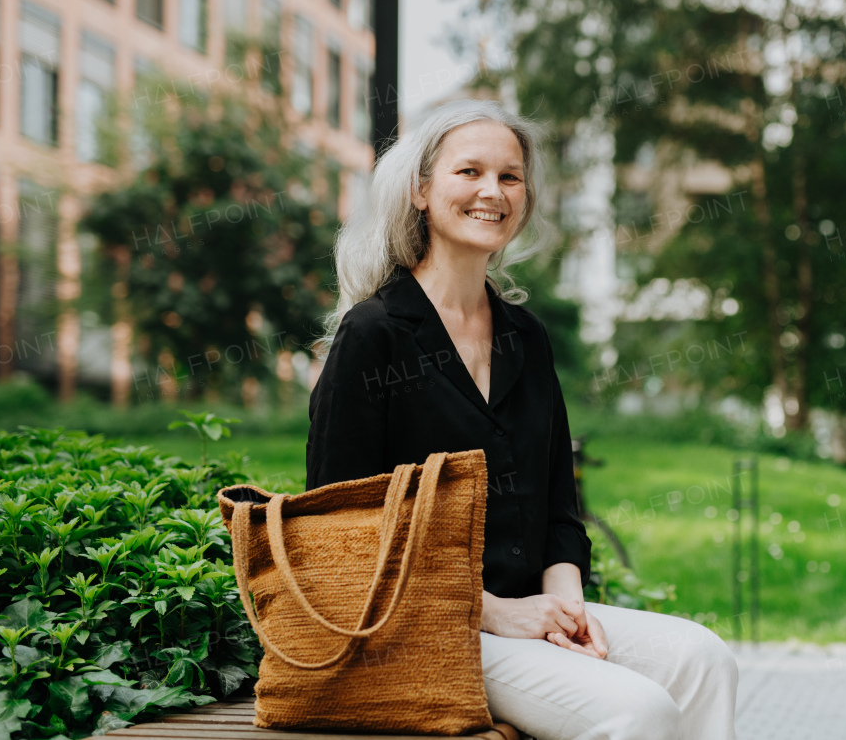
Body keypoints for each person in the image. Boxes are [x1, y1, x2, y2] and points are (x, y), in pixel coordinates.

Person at [305, 98, 739, 740]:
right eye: (469, 173)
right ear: (421, 190)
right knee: (638, 712)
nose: (493, 192)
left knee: (704, 659)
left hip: (531, 614)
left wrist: (567, 608)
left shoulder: (524, 338)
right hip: (422, 629)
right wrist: (499, 614)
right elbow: (338, 532)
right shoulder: (374, 335)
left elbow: (560, 509)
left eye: (510, 177)